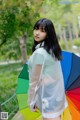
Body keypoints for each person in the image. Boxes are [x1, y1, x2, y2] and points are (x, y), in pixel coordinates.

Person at [28, 18, 68, 120]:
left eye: (42, 30)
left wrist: (31, 101)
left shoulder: (40, 53)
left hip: (48, 101)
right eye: (36, 29)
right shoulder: (52, 50)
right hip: (56, 99)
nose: (37, 33)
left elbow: (34, 81)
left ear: (48, 34)